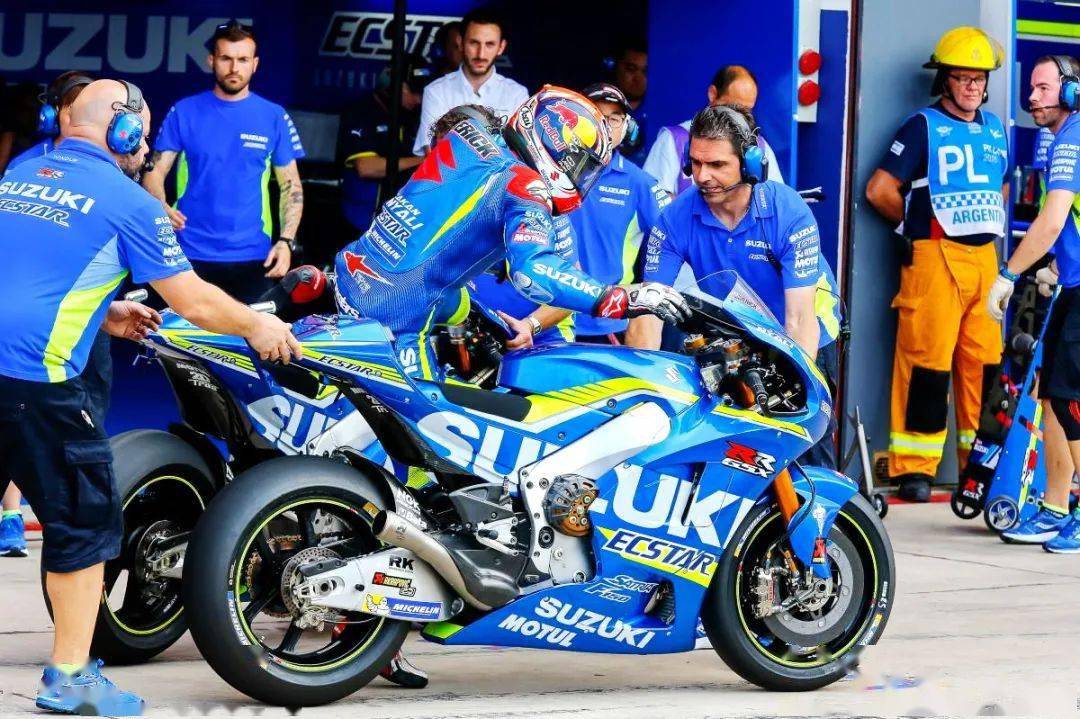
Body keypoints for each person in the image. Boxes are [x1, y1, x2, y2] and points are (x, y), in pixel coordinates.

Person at [0, 78, 299, 715]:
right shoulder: (129, 201)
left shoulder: (21, 175)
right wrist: (257, 325)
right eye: (141, 134)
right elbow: (193, 301)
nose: (144, 148)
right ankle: (70, 679)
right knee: (84, 524)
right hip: (37, 383)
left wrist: (103, 311)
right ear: (126, 131)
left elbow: (26, 272)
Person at [276, 86, 687, 380]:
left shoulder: (466, 130)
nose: (581, 175)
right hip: (398, 318)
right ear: (557, 147)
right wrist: (619, 297)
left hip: (349, 273)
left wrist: (489, 321)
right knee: (434, 448)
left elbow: (441, 256)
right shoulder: (526, 188)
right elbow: (533, 272)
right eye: (581, 163)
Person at [626, 104, 842, 469]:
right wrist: (643, 392)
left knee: (802, 446)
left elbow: (800, 321)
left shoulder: (788, 212)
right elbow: (647, 314)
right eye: (695, 163)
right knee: (737, 451)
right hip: (743, 331)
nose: (702, 176)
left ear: (749, 163)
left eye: (717, 165)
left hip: (806, 330)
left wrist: (793, 400)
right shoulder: (675, 218)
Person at [865, 27, 1009, 502]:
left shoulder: (996, 129)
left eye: (978, 78)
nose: (971, 86)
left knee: (985, 368)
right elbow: (879, 190)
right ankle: (916, 469)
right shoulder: (920, 126)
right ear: (944, 79)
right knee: (926, 364)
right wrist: (914, 227)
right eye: (962, 77)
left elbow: (1002, 186)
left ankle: (980, 466)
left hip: (986, 261)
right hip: (935, 256)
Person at [0, 70, 97, 558]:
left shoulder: (112, 170)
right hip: (35, 321)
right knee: (19, 415)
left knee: (85, 416)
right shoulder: (25, 166)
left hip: (90, 313)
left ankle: (70, 514)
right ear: (56, 113)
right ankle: (11, 513)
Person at [142, 20, 306, 303]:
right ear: (211, 60)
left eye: (243, 59)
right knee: (173, 332)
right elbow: (154, 172)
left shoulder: (274, 116)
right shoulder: (184, 111)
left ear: (255, 64)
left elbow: (291, 187)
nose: (234, 68)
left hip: (253, 257)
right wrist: (160, 205)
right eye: (226, 58)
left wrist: (286, 241)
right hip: (187, 251)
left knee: (253, 332)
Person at [989, 55, 1080, 552]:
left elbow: (1052, 219)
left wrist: (1009, 273)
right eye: (1031, 88)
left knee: (1071, 398)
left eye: (1044, 88)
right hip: (1073, 283)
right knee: (1051, 396)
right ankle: (1055, 505)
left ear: (1071, 92)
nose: (1032, 97)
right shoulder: (1063, 138)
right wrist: (1057, 268)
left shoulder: (1072, 138)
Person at [569, 82, 669, 344]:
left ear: (626, 127)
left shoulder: (639, 183)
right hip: (543, 319)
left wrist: (648, 302)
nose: (605, 125)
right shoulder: (549, 168)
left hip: (607, 323)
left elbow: (673, 241)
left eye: (614, 119)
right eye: (596, 115)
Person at [644, 65, 784, 197]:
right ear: (713, 94)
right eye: (733, 108)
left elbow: (777, 200)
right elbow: (651, 200)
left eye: (746, 110)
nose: (738, 118)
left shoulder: (758, 147)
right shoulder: (674, 140)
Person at [412, 7, 528, 157]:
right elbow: (432, 154)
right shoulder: (436, 91)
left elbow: (521, 156)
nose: (481, 54)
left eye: (489, 44)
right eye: (474, 43)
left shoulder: (517, 94)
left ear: (501, 47)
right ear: (460, 42)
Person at [339, 55, 432, 233]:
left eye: (422, 93)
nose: (419, 99)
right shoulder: (362, 112)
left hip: (404, 219)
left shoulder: (418, 116)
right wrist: (423, 160)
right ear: (393, 85)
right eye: (414, 92)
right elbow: (366, 167)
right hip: (362, 220)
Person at [608, 38, 649, 166]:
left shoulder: (657, 113)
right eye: (631, 69)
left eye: (645, 71)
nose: (638, 78)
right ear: (615, 67)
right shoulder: (598, 108)